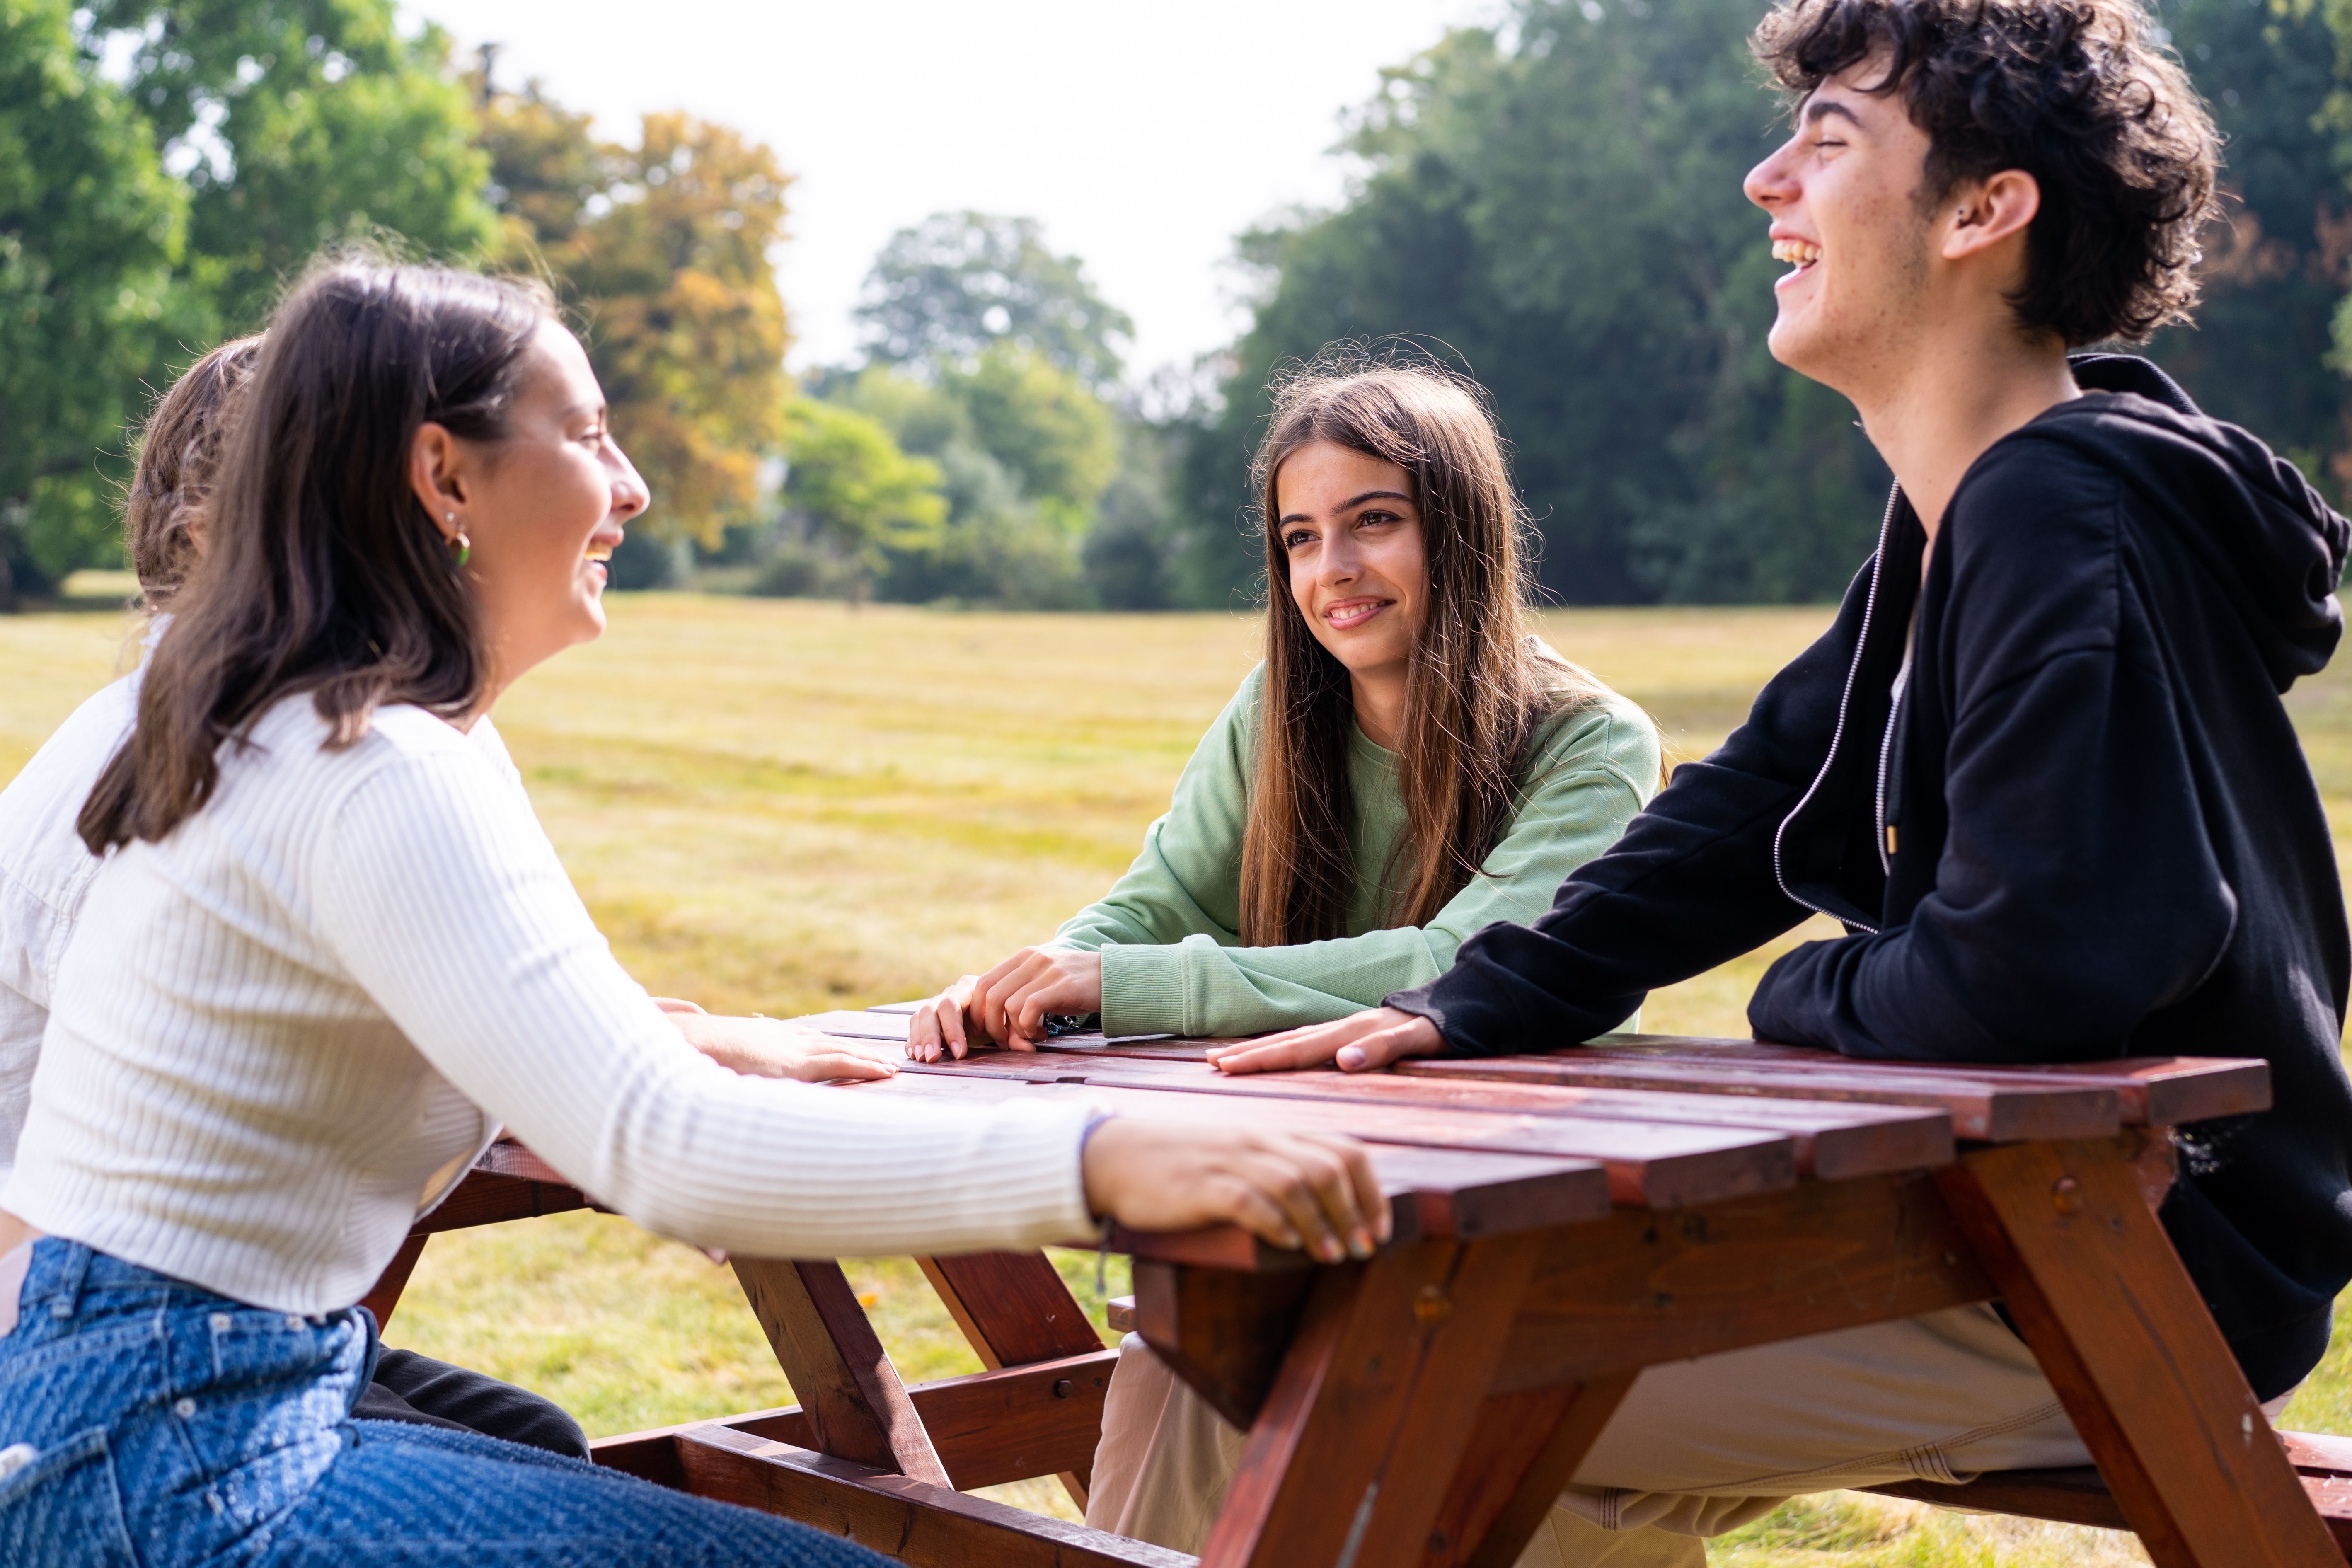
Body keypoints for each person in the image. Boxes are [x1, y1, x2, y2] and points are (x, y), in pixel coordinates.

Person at [1143, 0, 2352, 1563]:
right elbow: (1754, 801)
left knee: (1300, 1356)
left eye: (1825, 141)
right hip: (2004, 1226)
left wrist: (1803, 996)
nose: (1762, 180)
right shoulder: (1964, 514)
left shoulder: (2056, 506)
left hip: (2123, 1264)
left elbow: (2054, 954)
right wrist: (1485, 997)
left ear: (1984, 212)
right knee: (1470, 1453)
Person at [0, 256, 1388, 1568]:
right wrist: (1101, 1160)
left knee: (591, 1473)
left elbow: (539, 1047)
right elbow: (662, 1145)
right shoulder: (372, 762)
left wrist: (698, 1045)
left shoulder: (314, 725)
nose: (634, 487)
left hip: (155, 1408)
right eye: (587, 434)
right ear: (443, 476)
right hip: (170, 1451)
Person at [907, 359, 1660, 1060]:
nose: (1332, 569)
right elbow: (1158, 904)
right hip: (1302, 1125)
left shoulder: (1593, 741)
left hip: (1534, 1132)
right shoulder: (1276, 707)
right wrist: (1026, 992)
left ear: (1464, 530)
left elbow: (1464, 968)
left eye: (1374, 521)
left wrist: (1133, 983)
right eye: (1301, 537)